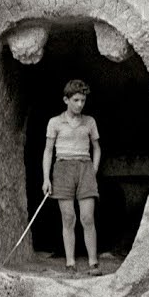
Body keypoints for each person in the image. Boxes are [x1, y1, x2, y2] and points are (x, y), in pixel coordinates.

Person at [41, 78, 102, 275]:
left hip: (85, 166)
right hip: (63, 168)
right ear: (66, 100)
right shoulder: (55, 122)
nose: (80, 104)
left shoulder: (90, 121)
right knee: (68, 218)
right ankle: (70, 262)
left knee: (87, 217)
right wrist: (46, 178)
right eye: (76, 100)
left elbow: (97, 148)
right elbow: (48, 151)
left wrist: (93, 170)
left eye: (83, 100)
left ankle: (93, 263)